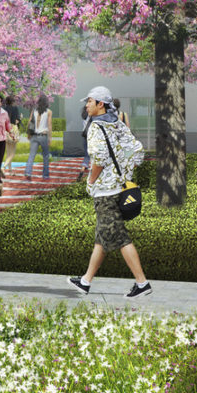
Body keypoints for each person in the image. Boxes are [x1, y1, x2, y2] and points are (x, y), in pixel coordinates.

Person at [68, 86, 152, 299]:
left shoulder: (96, 127)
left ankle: (142, 284)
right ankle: (86, 281)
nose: (86, 105)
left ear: (100, 104)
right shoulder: (117, 124)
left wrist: (91, 181)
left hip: (105, 192)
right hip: (120, 188)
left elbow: (98, 160)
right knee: (102, 236)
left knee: (119, 236)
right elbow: (137, 151)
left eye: (89, 101)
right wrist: (125, 172)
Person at [25, 98, 53, 181]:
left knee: (31, 155)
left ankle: (28, 172)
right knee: (45, 156)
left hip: (34, 135)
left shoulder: (34, 111)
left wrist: (28, 134)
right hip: (43, 136)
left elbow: (29, 122)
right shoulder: (49, 112)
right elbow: (49, 125)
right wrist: (50, 138)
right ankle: (45, 175)